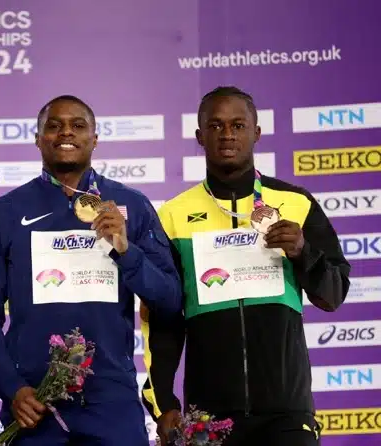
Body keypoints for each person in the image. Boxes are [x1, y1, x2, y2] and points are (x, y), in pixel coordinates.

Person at [0, 95, 183, 445]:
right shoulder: (6, 212)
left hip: (112, 404)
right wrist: (12, 388)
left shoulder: (132, 207)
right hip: (35, 405)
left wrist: (126, 251)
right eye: (53, 125)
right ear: (38, 138)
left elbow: (170, 300)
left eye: (78, 125)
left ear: (94, 138)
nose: (65, 132)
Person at [140, 86, 351, 446]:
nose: (227, 135)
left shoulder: (296, 203)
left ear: (256, 132)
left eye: (238, 125)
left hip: (286, 410)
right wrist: (163, 402)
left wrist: (302, 251)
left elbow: (334, 294)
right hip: (207, 414)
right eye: (216, 125)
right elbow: (163, 318)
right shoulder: (173, 215)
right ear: (199, 136)